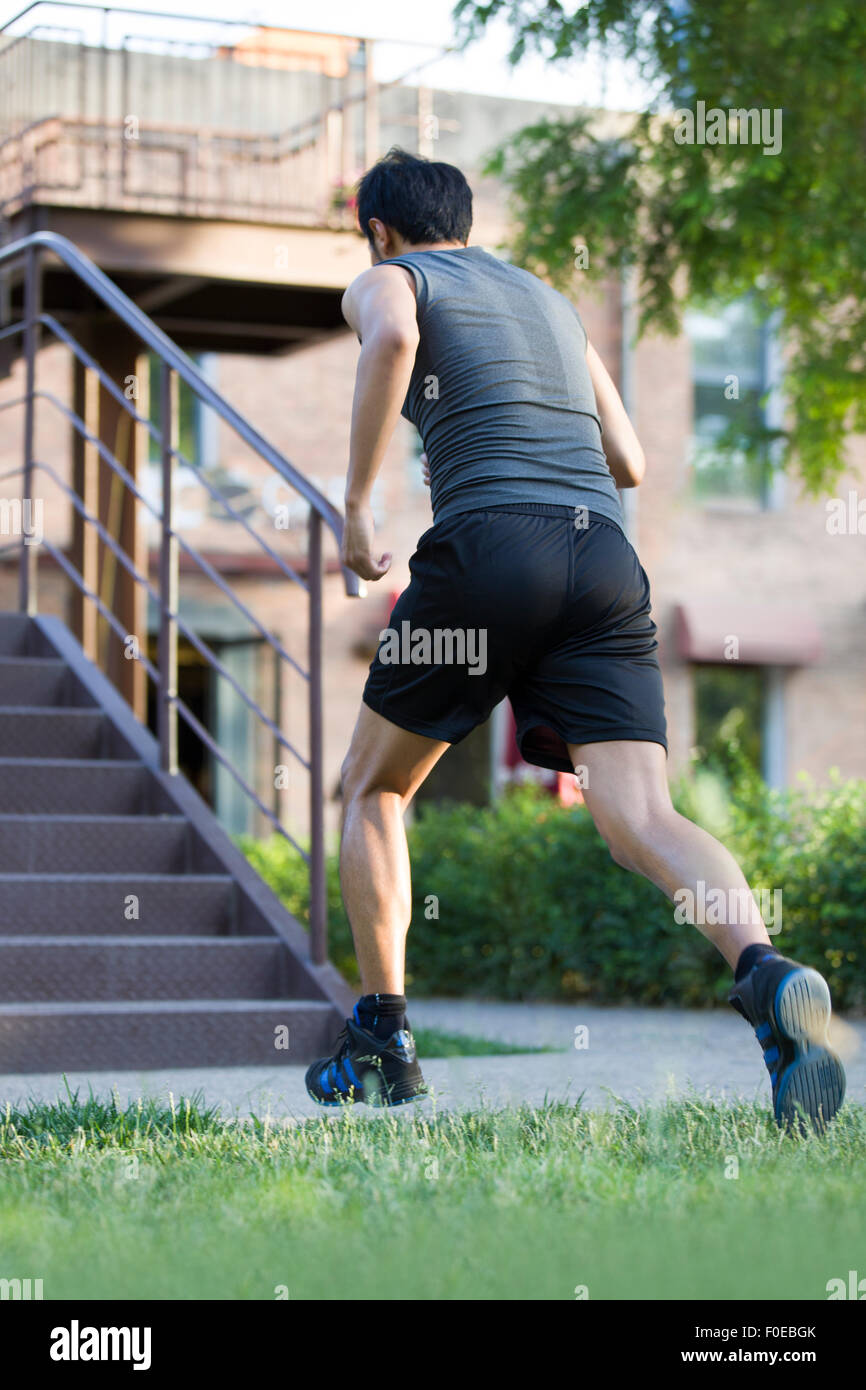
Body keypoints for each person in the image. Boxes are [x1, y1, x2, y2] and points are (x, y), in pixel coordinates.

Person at [305, 148, 845, 1132]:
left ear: (377, 230)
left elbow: (387, 337)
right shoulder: (548, 300)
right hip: (603, 562)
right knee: (640, 818)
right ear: (464, 223)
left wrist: (352, 506)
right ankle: (764, 973)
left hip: (487, 548)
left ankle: (382, 1042)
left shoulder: (389, 278)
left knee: (374, 786)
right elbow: (629, 460)